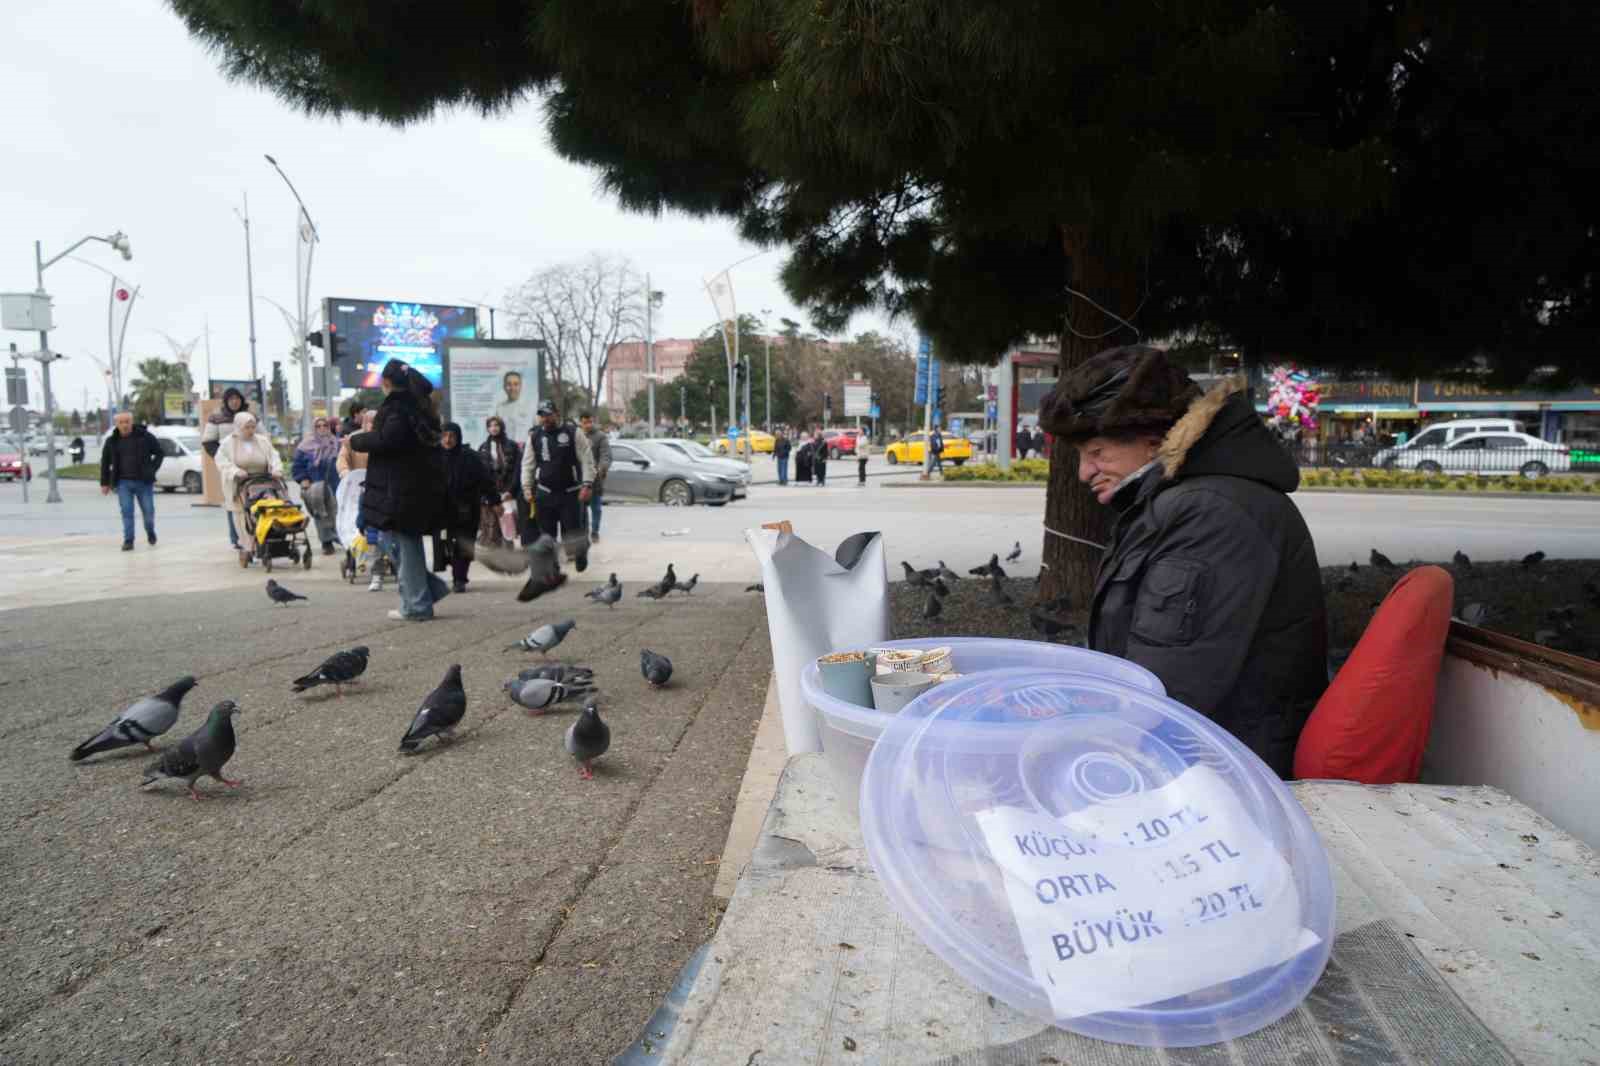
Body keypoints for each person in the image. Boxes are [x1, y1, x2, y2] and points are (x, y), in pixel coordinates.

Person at [1039, 344, 1328, 777]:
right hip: (1206, 751)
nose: (1083, 473)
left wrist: (1065, 748)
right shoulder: (1183, 501)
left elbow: (1166, 695)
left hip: (1221, 772)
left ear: (1154, 441)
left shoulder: (1211, 513)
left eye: (1096, 452)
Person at [350, 359, 450, 621]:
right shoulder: (419, 406)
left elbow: (390, 439)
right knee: (400, 542)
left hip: (401, 488)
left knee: (402, 544)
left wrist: (358, 440)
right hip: (412, 486)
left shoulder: (398, 408)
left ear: (386, 382)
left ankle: (417, 605)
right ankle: (427, 591)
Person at [521, 398, 595, 577]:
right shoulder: (535, 436)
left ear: (556, 414)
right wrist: (527, 487)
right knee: (547, 535)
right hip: (545, 493)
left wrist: (587, 484)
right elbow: (528, 464)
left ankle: (580, 553)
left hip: (570, 493)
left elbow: (587, 459)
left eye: (548, 415)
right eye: (542, 416)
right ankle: (552, 567)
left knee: (573, 532)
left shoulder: (572, 432)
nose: (545, 419)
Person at [214, 412, 285, 566]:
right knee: (243, 516)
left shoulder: (262, 441)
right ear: (239, 427)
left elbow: (274, 456)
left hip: (264, 481)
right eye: (247, 427)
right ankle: (248, 546)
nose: (251, 430)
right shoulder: (228, 443)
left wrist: (277, 469)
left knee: (268, 508)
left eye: (253, 427)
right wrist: (235, 471)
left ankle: (269, 540)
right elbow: (221, 461)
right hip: (241, 484)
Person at [438, 421, 492, 593]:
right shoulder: (434, 456)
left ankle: (459, 579)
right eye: (444, 436)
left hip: (466, 508)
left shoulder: (469, 457)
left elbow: (485, 480)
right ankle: (448, 569)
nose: (448, 440)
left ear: (458, 437)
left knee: (464, 544)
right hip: (442, 509)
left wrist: (495, 501)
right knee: (444, 543)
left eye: (452, 436)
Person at [98, 411, 164, 551]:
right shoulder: (112, 441)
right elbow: (105, 462)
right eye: (121, 422)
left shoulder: (144, 436)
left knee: (148, 512)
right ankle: (129, 540)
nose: (124, 425)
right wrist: (104, 483)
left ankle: (150, 531)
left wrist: (152, 469)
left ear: (132, 422)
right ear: (117, 424)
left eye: (127, 422)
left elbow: (159, 453)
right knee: (127, 512)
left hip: (144, 482)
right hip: (123, 483)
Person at [203, 386, 250, 550]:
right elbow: (208, 442)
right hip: (230, 468)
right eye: (231, 399)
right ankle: (236, 538)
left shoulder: (250, 417)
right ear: (226, 401)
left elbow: (262, 437)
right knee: (233, 500)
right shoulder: (216, 418)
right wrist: (222, 459)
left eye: (237, 398)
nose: (234, 402)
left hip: (251, 465)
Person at [291, 416, 341, 556]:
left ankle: (340, 537)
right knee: (321, 513)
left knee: (336, 512)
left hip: (335, 484)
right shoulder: (305, 446)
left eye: (325, 425)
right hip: (315, 485)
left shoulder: (336, 444)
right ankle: (327, 542)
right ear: (314, 428)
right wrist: (304, 479)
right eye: (318, 426)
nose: (322, 428)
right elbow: (297, 467)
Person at [477, 415, 523, 552]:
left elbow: (517, 470)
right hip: (491, 492)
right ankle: (495, 553)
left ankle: (509, 551)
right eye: (490, 426)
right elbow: (481, 472)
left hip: (508, 490)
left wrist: (511, 490)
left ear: (501, 427)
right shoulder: (483, 447)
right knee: (491, 524)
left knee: (508, 522)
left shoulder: (512, 446)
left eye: (496, 425)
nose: (493, 428)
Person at [579, 410, 612, 542]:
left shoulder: (600, 437)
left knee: (596, 508)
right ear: (580, 423)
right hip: (579, 479)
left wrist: (602, 468)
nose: (588, 425)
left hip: (595, 478)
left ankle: (595, 531)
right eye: (585, 422)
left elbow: (606, 455)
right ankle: (583, 531)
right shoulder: (577, 435)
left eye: (590, 422)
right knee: (580, 509)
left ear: (594, 421)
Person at [494, 370, 536, 444]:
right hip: (506, 450)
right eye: (509, 384)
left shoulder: (531, 407)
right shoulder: (499, 408)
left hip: (525, 451)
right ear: (504, 387)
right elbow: (497, 432)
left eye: (516, 384)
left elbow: (537, 431)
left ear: (520, 386)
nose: (512, 388)